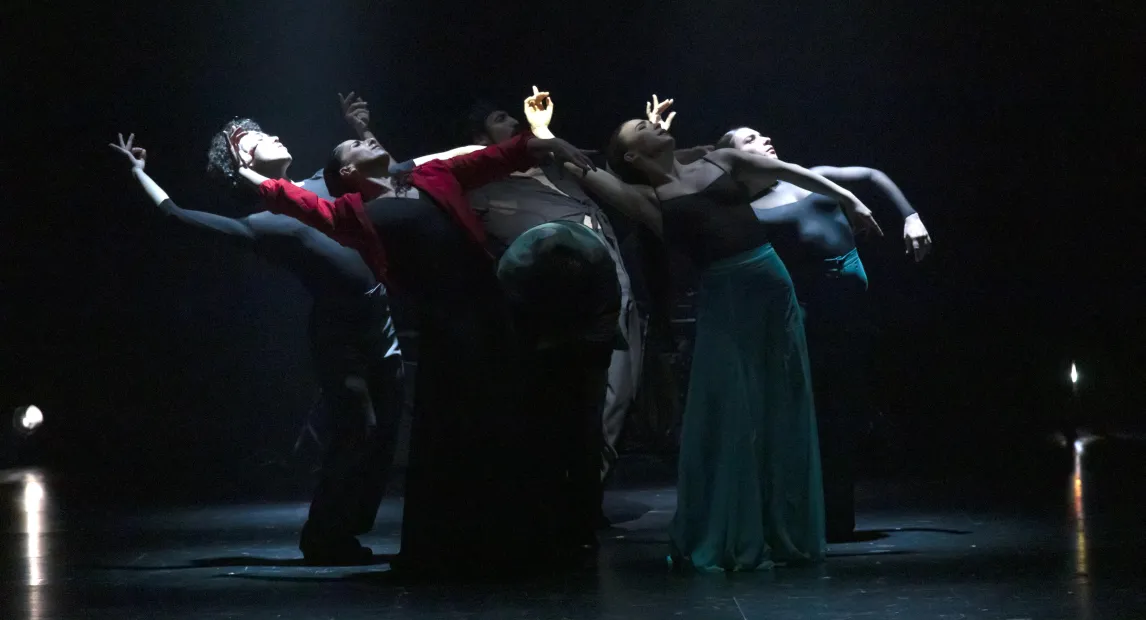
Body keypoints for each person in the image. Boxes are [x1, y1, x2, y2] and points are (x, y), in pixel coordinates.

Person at [228, 121, 599, 575]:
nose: (367, 141)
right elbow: (297, 201)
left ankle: (524, 537)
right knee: (462, 431)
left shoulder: (430, 176)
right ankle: (459, 546)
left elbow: (491, 158)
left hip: (491, 308)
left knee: (512, 420)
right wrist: (244, 170)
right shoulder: (352, 213)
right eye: (354, 144)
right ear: (346, 171)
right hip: (448, 327)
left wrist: (548, 143)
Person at [565, 111, 881, 572]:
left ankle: (785, 526)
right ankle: (732, 527)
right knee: (731, 407)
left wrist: (851, 199)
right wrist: (543, 134)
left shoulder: (718, 160)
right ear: (632, 154)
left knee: (782, 400)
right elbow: (585, 170)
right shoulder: (646, 197)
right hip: (726, 296)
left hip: (772, 286)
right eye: (641, 128)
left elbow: (791, 172)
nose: (654, 126)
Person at [110, 129, 402, 566]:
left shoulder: (323, 183)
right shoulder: (262, 224)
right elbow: (176, 215)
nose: (276, 135)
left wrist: (363, 129)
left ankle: (348, 529)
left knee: (386, 431)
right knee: (358, 429)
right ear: (241, 159)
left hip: (382, 319)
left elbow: (386, 173)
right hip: (341, 333)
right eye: (256, 137)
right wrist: (139, 173)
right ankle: (323, 536)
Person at [715, 125, 932, 541]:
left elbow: (871, 176)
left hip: (854, 308)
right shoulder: (749, 210)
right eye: (750, 140)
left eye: (762, 135)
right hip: (814, 316)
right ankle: (816, 515)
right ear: (736, 160)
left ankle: (834, 514)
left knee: (846, 412)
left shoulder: (808, 174)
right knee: (821, 414)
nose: (763, 141)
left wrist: (911, 216)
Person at [459, 88, 641, 529]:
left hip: (615, 293)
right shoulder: (483, 188)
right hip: (561, 308)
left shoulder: (556, 167)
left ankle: (586, 497)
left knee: (618, 397)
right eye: (503, 118)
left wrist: (543, 133)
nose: (516, 124)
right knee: (571, 405)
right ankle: (565, 507)